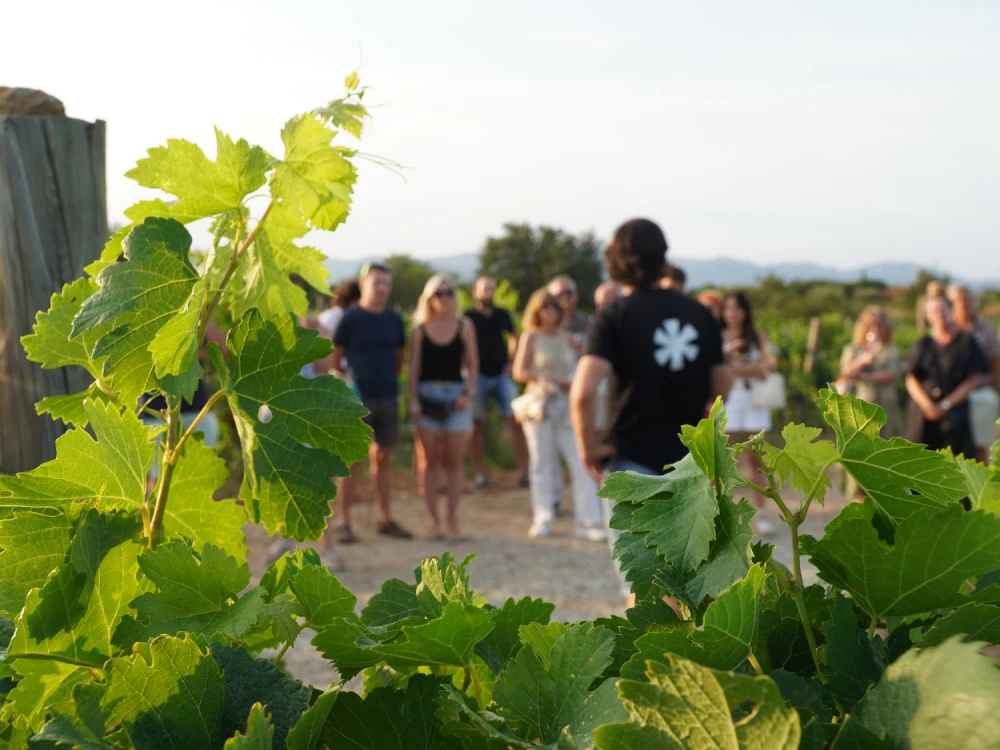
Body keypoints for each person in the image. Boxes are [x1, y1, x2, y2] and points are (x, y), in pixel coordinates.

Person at [571, 218, 729, 604]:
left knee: (643, 592)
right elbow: (723, 386)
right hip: (691, 467)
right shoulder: (700, 315)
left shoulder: (613, 318)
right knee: (689, 584)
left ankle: (651, 663)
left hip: (632, 465)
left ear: (617, 261)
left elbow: (583, 392)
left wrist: (587, 447)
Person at [513, 289, 604, 540]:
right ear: (537, 311)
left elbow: (579, 369)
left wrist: (566, 382)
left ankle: (588, 520)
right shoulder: (531, 337)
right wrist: (547, 378)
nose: (550, 312)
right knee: (542, 461)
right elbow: (519, 371)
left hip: (567, 405)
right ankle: (543, 517)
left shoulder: (568, 338)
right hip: (540, 405)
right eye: (546, 307)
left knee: (579, 459)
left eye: (554, 307)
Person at [331, 263, 412, 542]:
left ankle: (384, 518)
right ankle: (344, 522)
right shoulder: (350, 319)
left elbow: (399, 357)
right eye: (377, 282)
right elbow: (335, 358)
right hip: (357, 399)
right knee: (351, 461)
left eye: (386, 284)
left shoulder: (395, 320)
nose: (382, 288)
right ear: (364, 285)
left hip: (388, 395)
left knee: (384, 459)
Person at [408, 275, 479, 539]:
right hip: (426, 397)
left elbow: (473, 364)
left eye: (450, 293)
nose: (446, 298)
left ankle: (452, 520)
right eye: (440, 293)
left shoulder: (465, 326)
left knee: (454, 461)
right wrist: (412, 400)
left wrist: (467, 393)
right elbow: (413, 367)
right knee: (428, 461)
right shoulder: (419, 329)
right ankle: (432, 520)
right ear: (430, 298)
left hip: (456, 397)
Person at [905, 295, 989, 458]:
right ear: (927, 316)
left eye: (942, 309)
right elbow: (911, 378)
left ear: (950, 311)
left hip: (956, 415)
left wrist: (945, 405)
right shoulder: (923, 344)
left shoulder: (967, 342)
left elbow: (975, 379)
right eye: (934, 311)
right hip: (923, 417)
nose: (939, 314)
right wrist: (927, 406)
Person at [465, 276, 529, 489]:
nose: (488, 292)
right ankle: (481, 473)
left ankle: (523, 471)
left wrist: (512, 361)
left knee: (515, 420)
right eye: (484, 289)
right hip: (478, 377)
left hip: (501, 375)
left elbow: (514, 336)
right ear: (475, 292)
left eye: (491, 288)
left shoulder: (502, 314)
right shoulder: (468, 317)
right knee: (476, 425)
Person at [720, 291, 776, 530]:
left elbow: (768, 369)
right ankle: (721, 511)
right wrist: (747, 368)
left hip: (754, 399)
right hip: (729, 400)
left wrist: (734, 368)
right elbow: (720, 370)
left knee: (757, 458)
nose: (733, 313)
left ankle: (761, 513)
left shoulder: (757, 337)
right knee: (724, 457)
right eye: (729, 308)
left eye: (738, 308)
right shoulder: (718, 336)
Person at [947, 284, 1000, 461]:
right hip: (952, 394)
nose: (963, 304)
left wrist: (996, 390)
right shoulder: (946, 329)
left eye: (966, 300)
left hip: (980, 392)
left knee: (982, 442)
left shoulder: (986, 329)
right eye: (958, 300)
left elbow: (995, 361)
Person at [838, 306, 903, 437]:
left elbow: (890, 375)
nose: (875, 328)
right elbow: (845, 371)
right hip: (860, 403)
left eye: (880, 324)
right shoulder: (853, 349)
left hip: (886, 404)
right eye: (871, 324)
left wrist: (862, 375)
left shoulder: (891, 349)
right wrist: (862, 361)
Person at [547, 275, 589, 352]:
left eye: (569, 293)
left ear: (576, 295)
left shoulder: (588, 322)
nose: (565, 297)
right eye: (560, 294)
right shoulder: (544, 326)